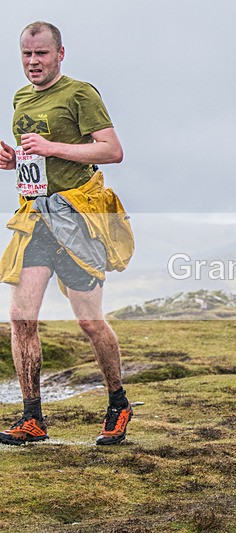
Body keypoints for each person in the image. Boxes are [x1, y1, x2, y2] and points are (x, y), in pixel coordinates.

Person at [0, 21, 134, 446]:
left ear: (60, 54)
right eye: (26, 54)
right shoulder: (21, 98)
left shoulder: (80, 93)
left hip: (79, 221)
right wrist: (14, 161)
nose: (33, 62)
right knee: (21, 319)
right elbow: (34, 158)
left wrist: (53, 147)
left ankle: (118, 403)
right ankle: (32, 418)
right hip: (37, 218)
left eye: (41, 54)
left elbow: (112, 151)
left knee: (90, 322)